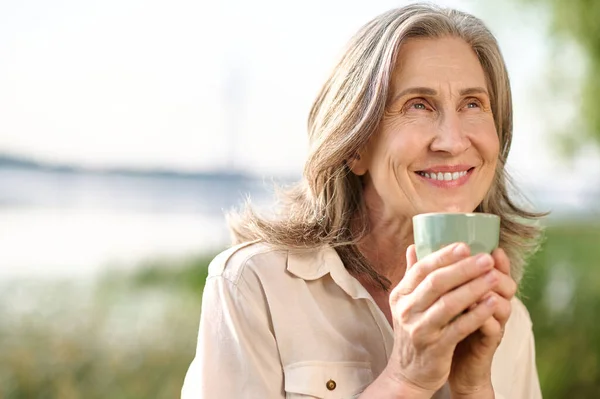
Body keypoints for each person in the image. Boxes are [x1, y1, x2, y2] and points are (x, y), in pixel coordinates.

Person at [182, 3, 545, 398]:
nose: (453, 141)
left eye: (472, 104)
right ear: (355, 147)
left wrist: (474, 387)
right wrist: (407, 379)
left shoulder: (510, 325)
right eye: (418, 105)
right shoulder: (254, 286)